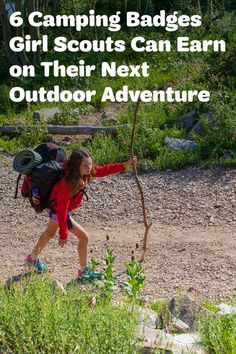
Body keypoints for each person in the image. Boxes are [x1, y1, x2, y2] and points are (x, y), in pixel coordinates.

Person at [25, 148, 137, 279]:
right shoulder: (66, 183)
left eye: (90, 164)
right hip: (59, 210)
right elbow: (62, 209)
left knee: (49, 233)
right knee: (84, 237)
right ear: (76, 166)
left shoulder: (83, 173)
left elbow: (104, 170)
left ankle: (32, 258)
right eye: (85, 165)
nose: (89, 167)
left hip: (56, 208)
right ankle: (84, 272)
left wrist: (125, 164)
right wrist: (63, 234)